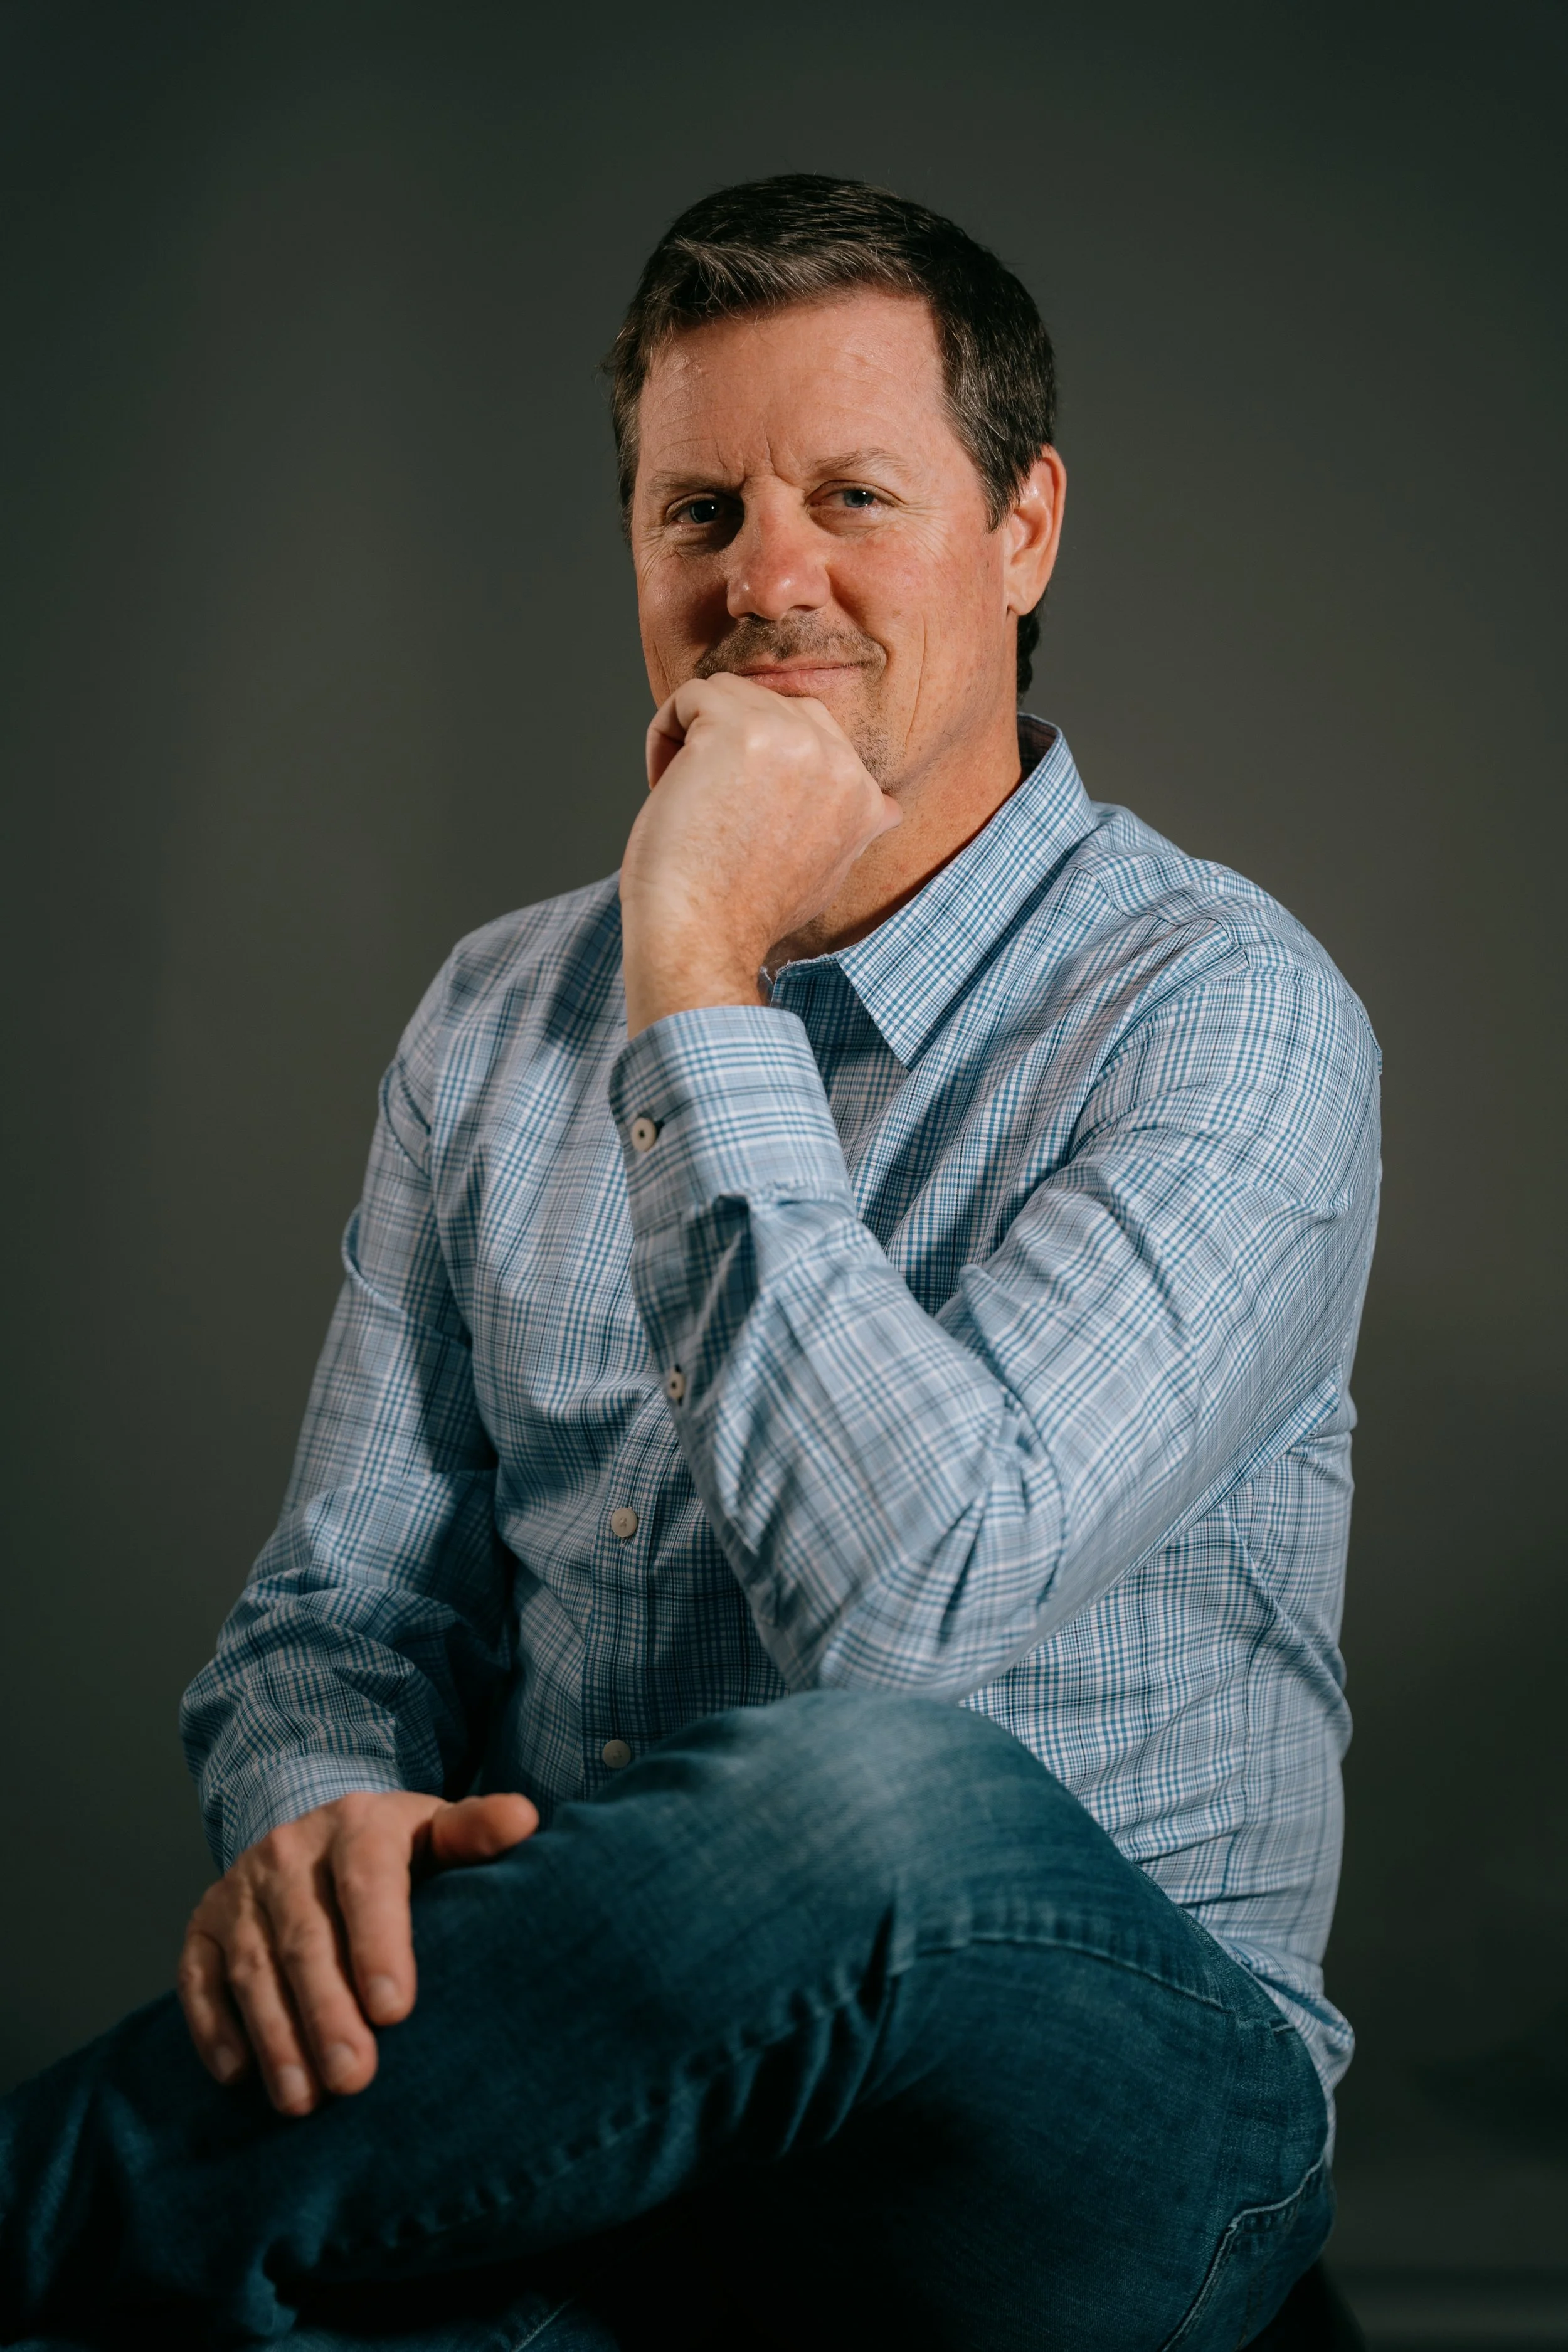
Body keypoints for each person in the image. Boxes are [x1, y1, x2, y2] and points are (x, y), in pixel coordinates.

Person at [0, 175, 1380, 2350]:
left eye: (852, 494)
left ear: (1024, 528)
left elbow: (911, 1610)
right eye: (696, 512)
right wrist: (328, 1814)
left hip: (1106, 2132)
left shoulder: (1222, 1008)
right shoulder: (484, 1012)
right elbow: (334, 1613)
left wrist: (698, 966)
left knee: (881, 1785)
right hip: (614, 2107)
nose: (767, 580)